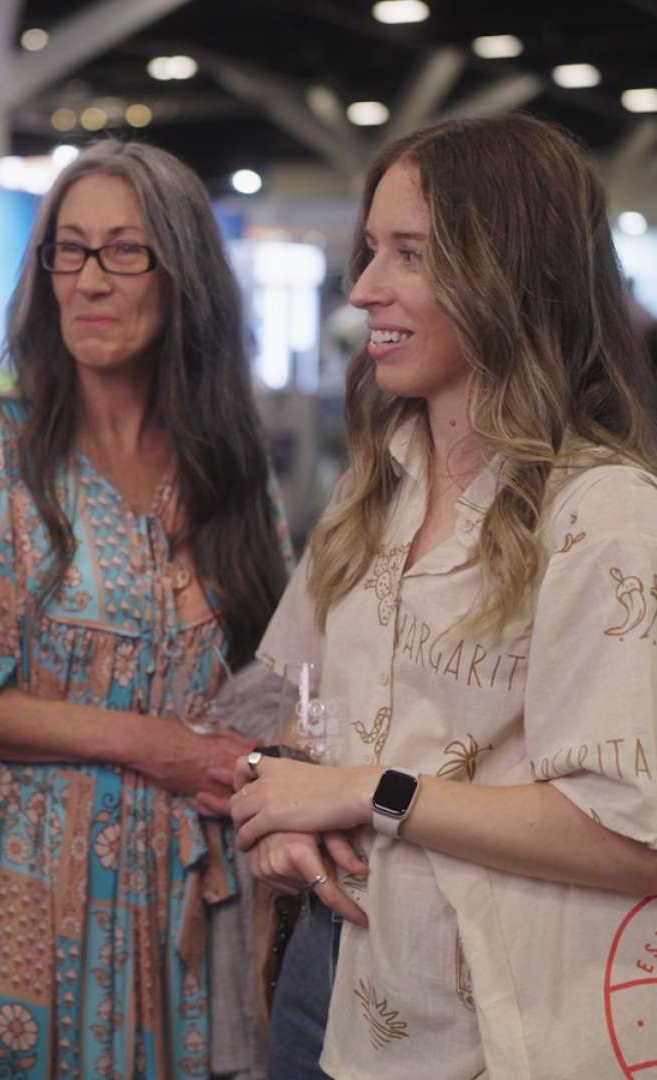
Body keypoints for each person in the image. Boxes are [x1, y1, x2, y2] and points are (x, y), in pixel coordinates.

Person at [221, 112, 657, 1078]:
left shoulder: (605, 514)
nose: (364, 286)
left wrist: (362, 793)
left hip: (508, 1020)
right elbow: (282, 705)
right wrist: (285, 802)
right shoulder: (378, 482)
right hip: (336, 980)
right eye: (370, 250)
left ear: (510, 275)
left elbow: (633, 835)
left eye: (409, 254)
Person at [0, 139, 292, 1078]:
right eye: (68, 251)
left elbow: (271, 682)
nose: (89, 279)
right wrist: (159, 746)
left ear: (181, 273)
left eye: (124, 250)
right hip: (31, 913)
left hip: (200, 910)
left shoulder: (226, 468)